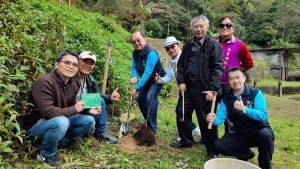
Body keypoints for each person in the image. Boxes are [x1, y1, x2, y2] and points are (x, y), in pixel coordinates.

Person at [20, 50, 95, 167]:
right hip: (34, 127)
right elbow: (47, 112)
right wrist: (74, 109)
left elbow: (71, 107)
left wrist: (88, 110)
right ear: (57, 64)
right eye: (67, 62)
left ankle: (59, 142)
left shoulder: (74, 84)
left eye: (75, 64)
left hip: (57, 121)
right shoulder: (45, 82)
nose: (71, 67)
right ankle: (46, 154)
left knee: (89, 121)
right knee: (62, 122)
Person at [175, 15, 224, 160]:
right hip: (188, 88)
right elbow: (181, 64)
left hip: (205, 89)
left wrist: (212, 89)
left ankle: (212, 150)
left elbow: (218, 68)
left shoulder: (213, 45)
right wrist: (181, 81)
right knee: (181, 113)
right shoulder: (188, 44)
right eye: (196, 26)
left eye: (201, 26)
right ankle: (186, 140)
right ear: (192, 28)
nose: (198, 29)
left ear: (207, 27)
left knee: (206, 119)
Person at [207, 67, 274, 169]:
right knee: (218, 145)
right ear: (228, 81)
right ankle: (246, 154)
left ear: (244, 78)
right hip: (241, 133)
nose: (235, 81)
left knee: (265, 136)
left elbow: (262, 115)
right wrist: (213, 119)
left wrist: (245, 109)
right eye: (231, 78)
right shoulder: (226, 99)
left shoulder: (256, 93)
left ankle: (265, 166)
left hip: (259, 130)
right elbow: (220, 118)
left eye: (238, 77)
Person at [155, 36, 199, 143]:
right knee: (181, 111)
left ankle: (195, 134)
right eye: (167, 48)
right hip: (183, 89)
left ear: (178, 45)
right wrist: (160, 80)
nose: (170, 49)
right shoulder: (171, 61)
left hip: (194, 88)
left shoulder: (185, 57)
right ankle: (189, 133)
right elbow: (169, 76)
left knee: (192, 112)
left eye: (172, 46)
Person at [217, 16, 254, 133]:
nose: (224, 27)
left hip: (230, 85)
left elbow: (249, 63)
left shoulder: (240, 45)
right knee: (211, 110)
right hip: (213, 84)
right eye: (222, 25)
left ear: (233, 29)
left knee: (231, 113)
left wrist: (236, 75)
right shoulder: (213, 43)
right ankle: (210, 138)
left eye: (228, 25)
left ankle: (231, 140)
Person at [75, 51, 120, 144]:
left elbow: (95, 96)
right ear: (78, 61)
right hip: (70, 109)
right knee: (97, 100)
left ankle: (100, 133)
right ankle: (76, 133)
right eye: (85, 61)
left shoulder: (90, 79)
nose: (88, 65)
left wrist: (110, 98)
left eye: (91, 63)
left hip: (82, 107)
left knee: (100, 100)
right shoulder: (70, 76)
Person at [130, 31, 166, 133]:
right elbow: (134, 68)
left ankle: (152, 128)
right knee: (141, 100)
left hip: (157, 79)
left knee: (150, 98)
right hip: (146, 80)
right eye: (134, 42)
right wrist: (135, 77)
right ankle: (148, 122)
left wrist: (136, 88)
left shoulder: (152, 53)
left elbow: (147, 73)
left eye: (138, 40)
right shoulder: (135, 53)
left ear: (144, 39)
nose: (136, 43)